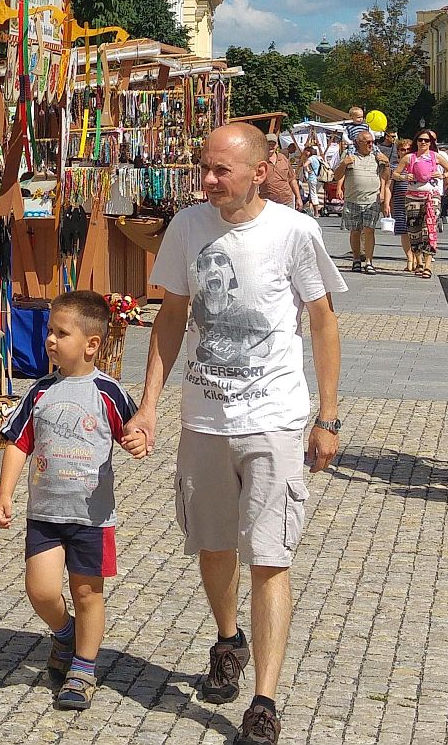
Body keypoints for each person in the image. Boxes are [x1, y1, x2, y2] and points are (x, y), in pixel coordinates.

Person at [124, 123, 344, 745]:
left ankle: (264, 701)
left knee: (270, 556)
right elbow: (171, 316)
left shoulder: (294, 232)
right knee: (213, 545)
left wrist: (327, 416)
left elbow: (323, 323)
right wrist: (149, 407)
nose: (209, 180)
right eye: (205, 167)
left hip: (274, 418)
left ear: (258, 171)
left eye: (222, 169)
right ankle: (228, 639)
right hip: (205, 417)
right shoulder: (187, 227)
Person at [0, 289, 141, 712]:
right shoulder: (39, 392)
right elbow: (18, 442)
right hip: (45, 513)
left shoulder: (108, 392)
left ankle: (83, 668)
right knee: (41, 590)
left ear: (91, 344)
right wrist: (5, 493)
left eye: (61, 333)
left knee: (87, 592)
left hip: (92, 518)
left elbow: (132, 429)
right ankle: (64, 633)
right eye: (50, 331)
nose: (50, 340)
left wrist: (137, 440)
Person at [393, 129, 448, 278]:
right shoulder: (409, 157)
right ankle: (419, 262)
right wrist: (404, 177)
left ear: (431, 143)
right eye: (421, 140)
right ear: (416, 142)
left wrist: (442, 174)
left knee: (429, 229)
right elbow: (395, 174)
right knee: (414, 230)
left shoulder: (435, 156)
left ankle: (427, 266)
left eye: (426, 140)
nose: (423, 142)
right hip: (413, 196)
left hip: (431, 196)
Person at [333, 127, 391, 273]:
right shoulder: (350, 155)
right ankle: (356, 259)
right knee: (355, 231)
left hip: (372, 199)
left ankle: (369, 261)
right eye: (368, 142)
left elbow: (386, 176)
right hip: (353, 199)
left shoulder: (377, 156)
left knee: (369, 230)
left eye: (372, 142)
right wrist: (344, 164)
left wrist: (387, 164)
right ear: (359, 143)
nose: (371, 144)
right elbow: (337, 175)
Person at [389, 137, 415, 271]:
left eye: (408, 149)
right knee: (404, 231)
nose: (405, 152)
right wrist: (387, 203)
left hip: (415, 201)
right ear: (398, 151)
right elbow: (389, 187)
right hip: (399, 202)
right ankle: (409, 258)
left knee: (415, 230)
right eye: (402, 149)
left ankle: (417, 258)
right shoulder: (393, 167)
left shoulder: (416, 165)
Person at [259, 134, 301, 210]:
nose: (271, 146)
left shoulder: (283, 158)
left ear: (277, 145)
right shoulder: (259, 161)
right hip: (267, 204)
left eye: (273, 144)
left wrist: (298, 198)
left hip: (287, 202)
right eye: (269, 144)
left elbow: (292, 180)